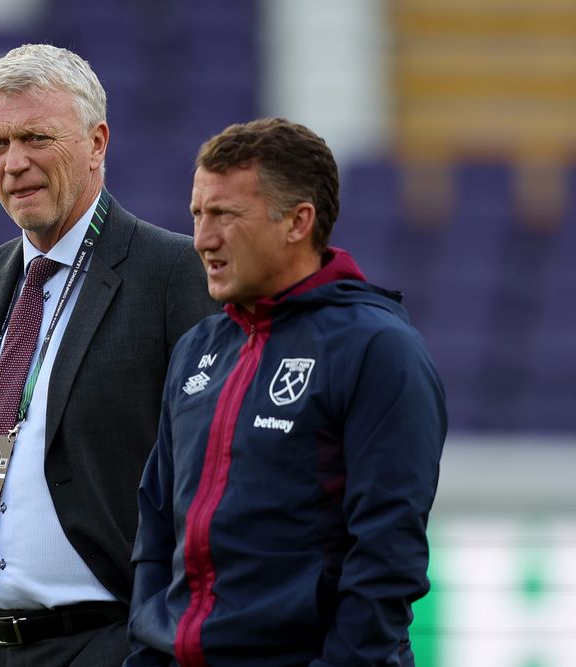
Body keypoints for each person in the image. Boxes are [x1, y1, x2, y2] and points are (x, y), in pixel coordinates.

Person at [0, 43, 218, 666]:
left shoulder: (175, 274)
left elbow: (217, 477)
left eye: (36, 137)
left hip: (110, 643)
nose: (15, 163)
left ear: (97, 143)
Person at [126, 118, 447, 666]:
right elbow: (157, 530)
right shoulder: (198, 348)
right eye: (198, 215)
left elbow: (387, 558)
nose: (202, 238)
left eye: (225, 215)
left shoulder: (377, 348)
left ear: (298, 222)